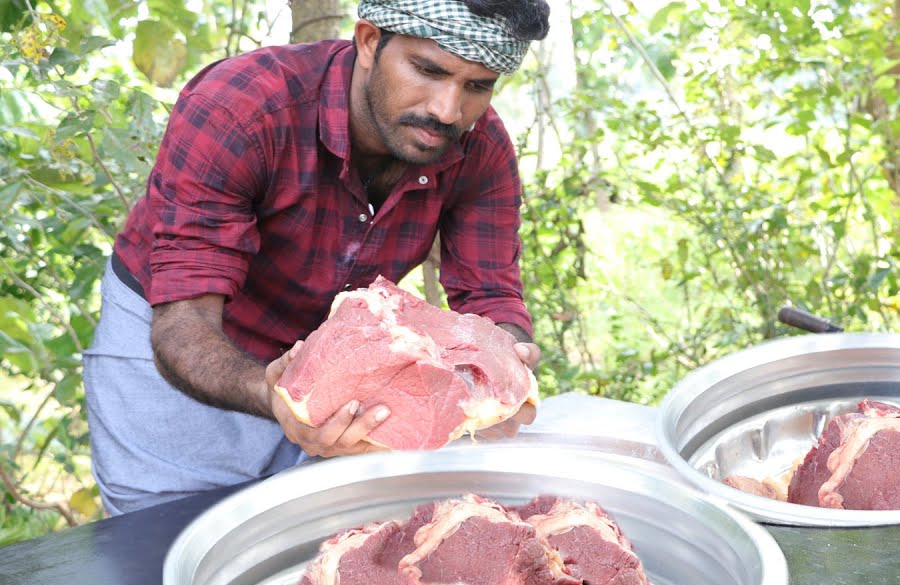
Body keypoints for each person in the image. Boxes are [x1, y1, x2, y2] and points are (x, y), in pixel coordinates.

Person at [83, 0, 552, 515]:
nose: (447, 110)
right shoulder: (241, 105)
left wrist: (507, 363)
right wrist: (278, 396)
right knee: (159, 536)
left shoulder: (480, 147)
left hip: (341, 350)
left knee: (314, 537)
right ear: (370, 42)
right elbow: (184, 319)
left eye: (477, 86)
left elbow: (491, 295)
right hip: (181, 332)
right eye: (428, 70)